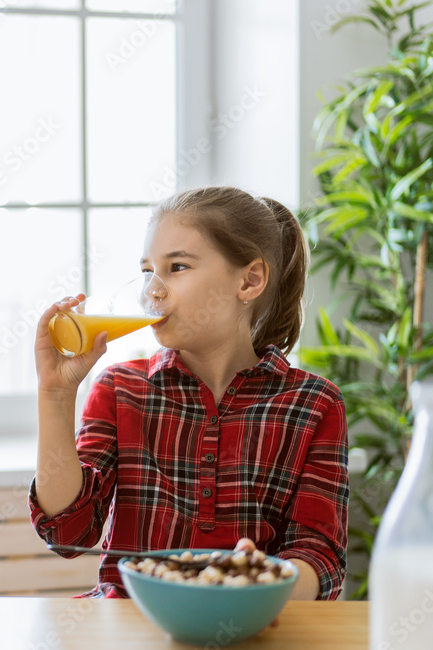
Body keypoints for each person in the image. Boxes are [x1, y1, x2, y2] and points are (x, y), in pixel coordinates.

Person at [32, 186, 349, 601]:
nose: (153, 291)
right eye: (148, 271)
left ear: (249, 280)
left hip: (250, 636)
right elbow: (67, 530)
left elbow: (320, 557)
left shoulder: (315, 404)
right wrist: (55, 395)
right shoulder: (120, 389)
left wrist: (260, 580)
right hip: (127, 636)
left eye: (177, 267)